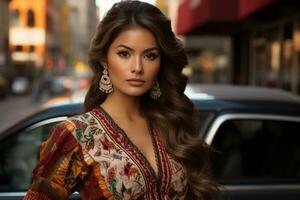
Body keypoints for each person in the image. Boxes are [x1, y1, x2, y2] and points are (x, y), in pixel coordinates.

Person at [24, 1, 219, 199]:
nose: (137, 67)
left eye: (150, 56)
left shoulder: (170, 122)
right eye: (124, 54)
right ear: (104, 60)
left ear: (161, 62)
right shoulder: (79, 135)